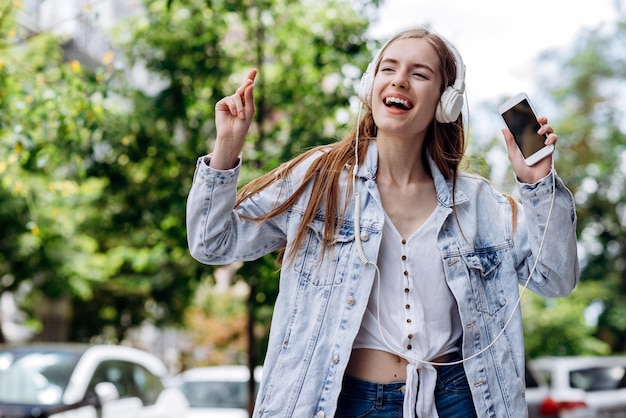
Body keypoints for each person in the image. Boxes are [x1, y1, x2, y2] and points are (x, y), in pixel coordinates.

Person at [186, 27, 579, 418]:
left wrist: (538, 184)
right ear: (369, 85)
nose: (399, 80)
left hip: (457, 402)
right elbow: (212, 243)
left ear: (446, 102)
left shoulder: (480, 204)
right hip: (348, 402)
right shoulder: (318, 180)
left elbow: (555, 279)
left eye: (419, 74)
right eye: (388, 68)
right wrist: (227, 149)